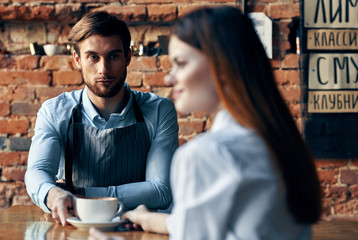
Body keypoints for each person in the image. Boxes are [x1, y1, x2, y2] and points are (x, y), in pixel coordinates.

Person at [89, 5, 322, 240]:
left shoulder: (208, 154)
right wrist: (146, 219)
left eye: (181, 63)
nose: (170, 77)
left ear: (222, 66)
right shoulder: (277, 142)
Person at [25, 11, 179, 226]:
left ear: (127, 57)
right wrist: (54, 195)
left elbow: (160, 190)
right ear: (78, 59)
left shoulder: (159, 110)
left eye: (113, 56)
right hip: (74, 228)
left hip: (140, 230)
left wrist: (75, 193)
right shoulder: (55, 111)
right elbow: (38, 171)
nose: (103, 69)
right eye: (93, 57)